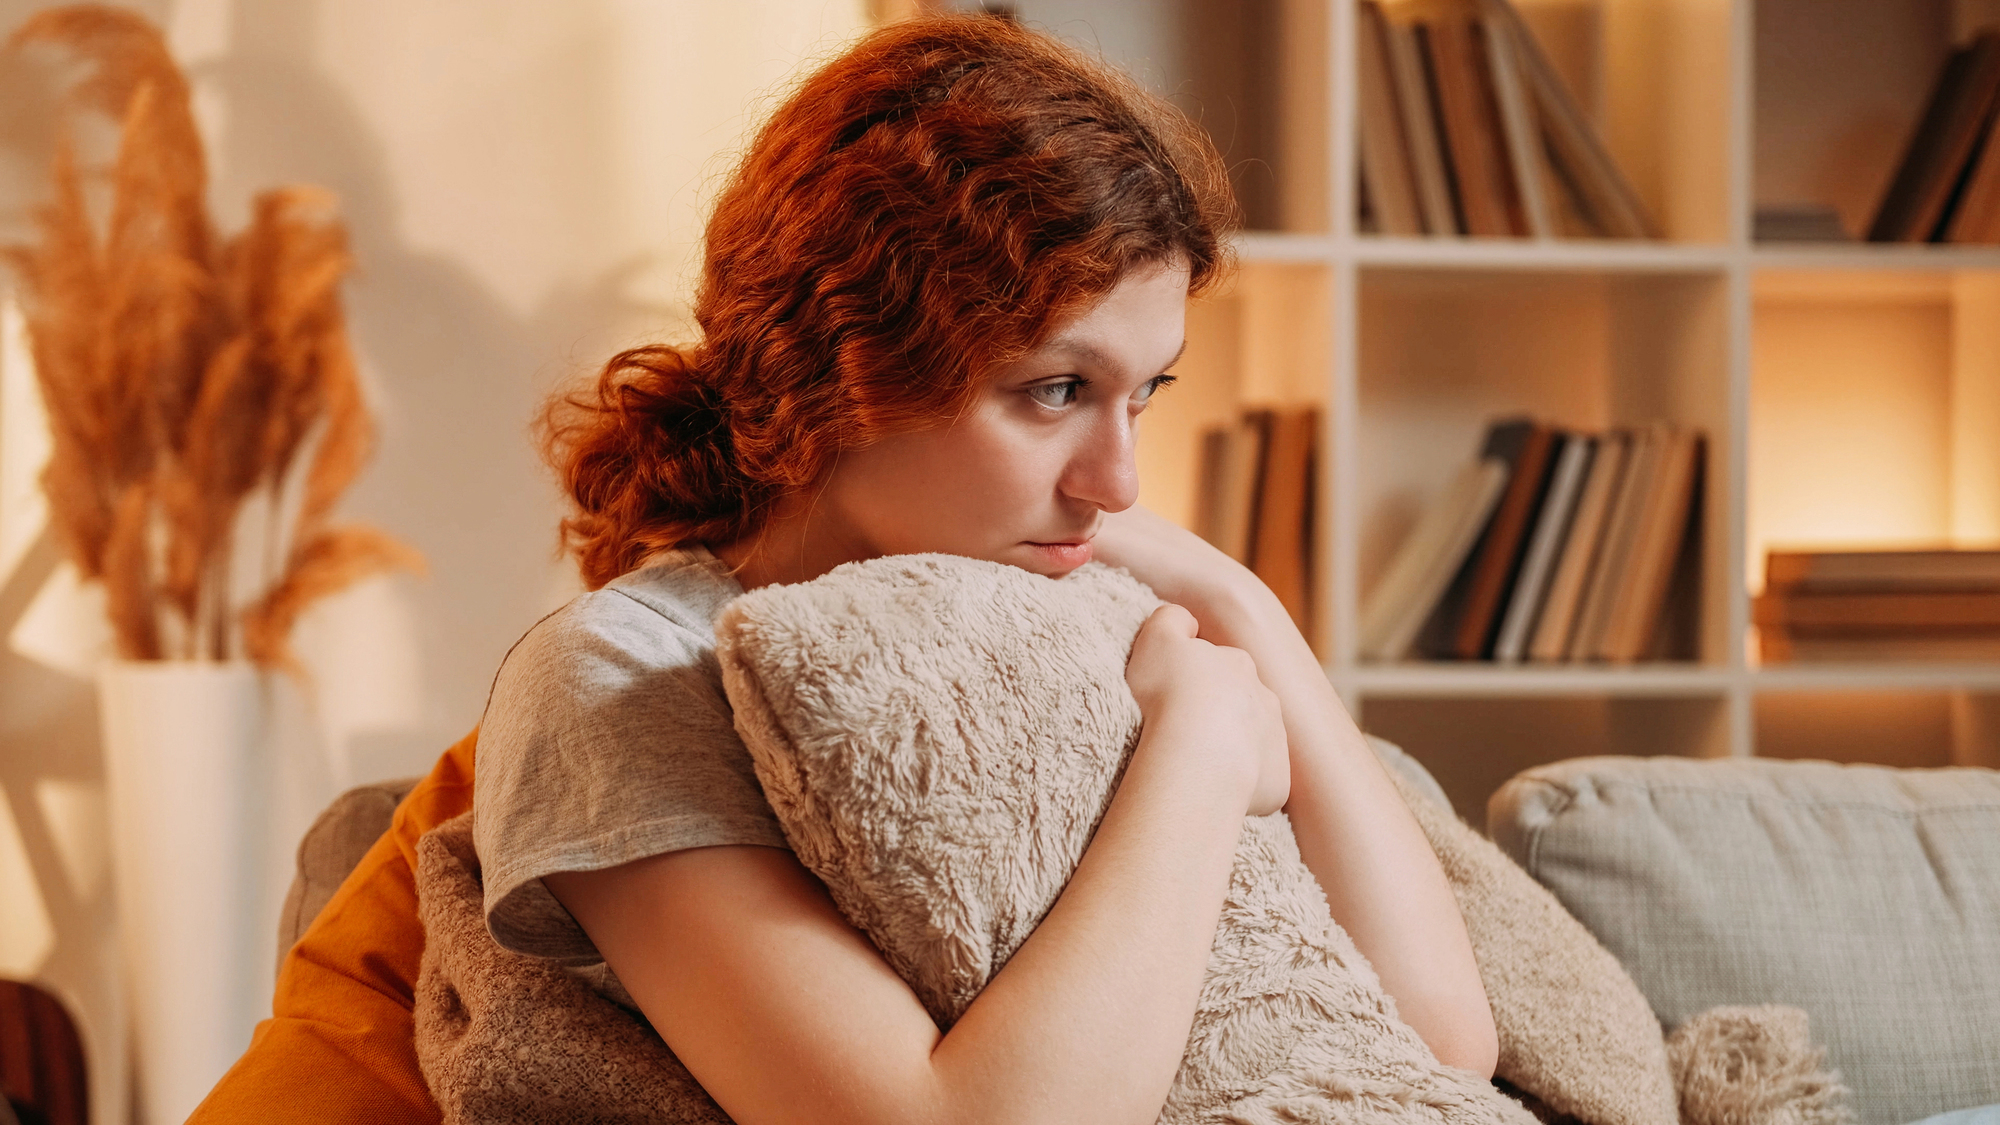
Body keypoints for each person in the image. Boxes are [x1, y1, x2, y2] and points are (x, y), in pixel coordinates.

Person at [192, 14, 1495, 1123]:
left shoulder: (1083, 606)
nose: (1119, 479)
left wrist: (1242, 604)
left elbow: (1441, 1041)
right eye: (1055, 390)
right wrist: (1204, 752)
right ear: (847, 365)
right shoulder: (626, 680)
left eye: (1143, 393)